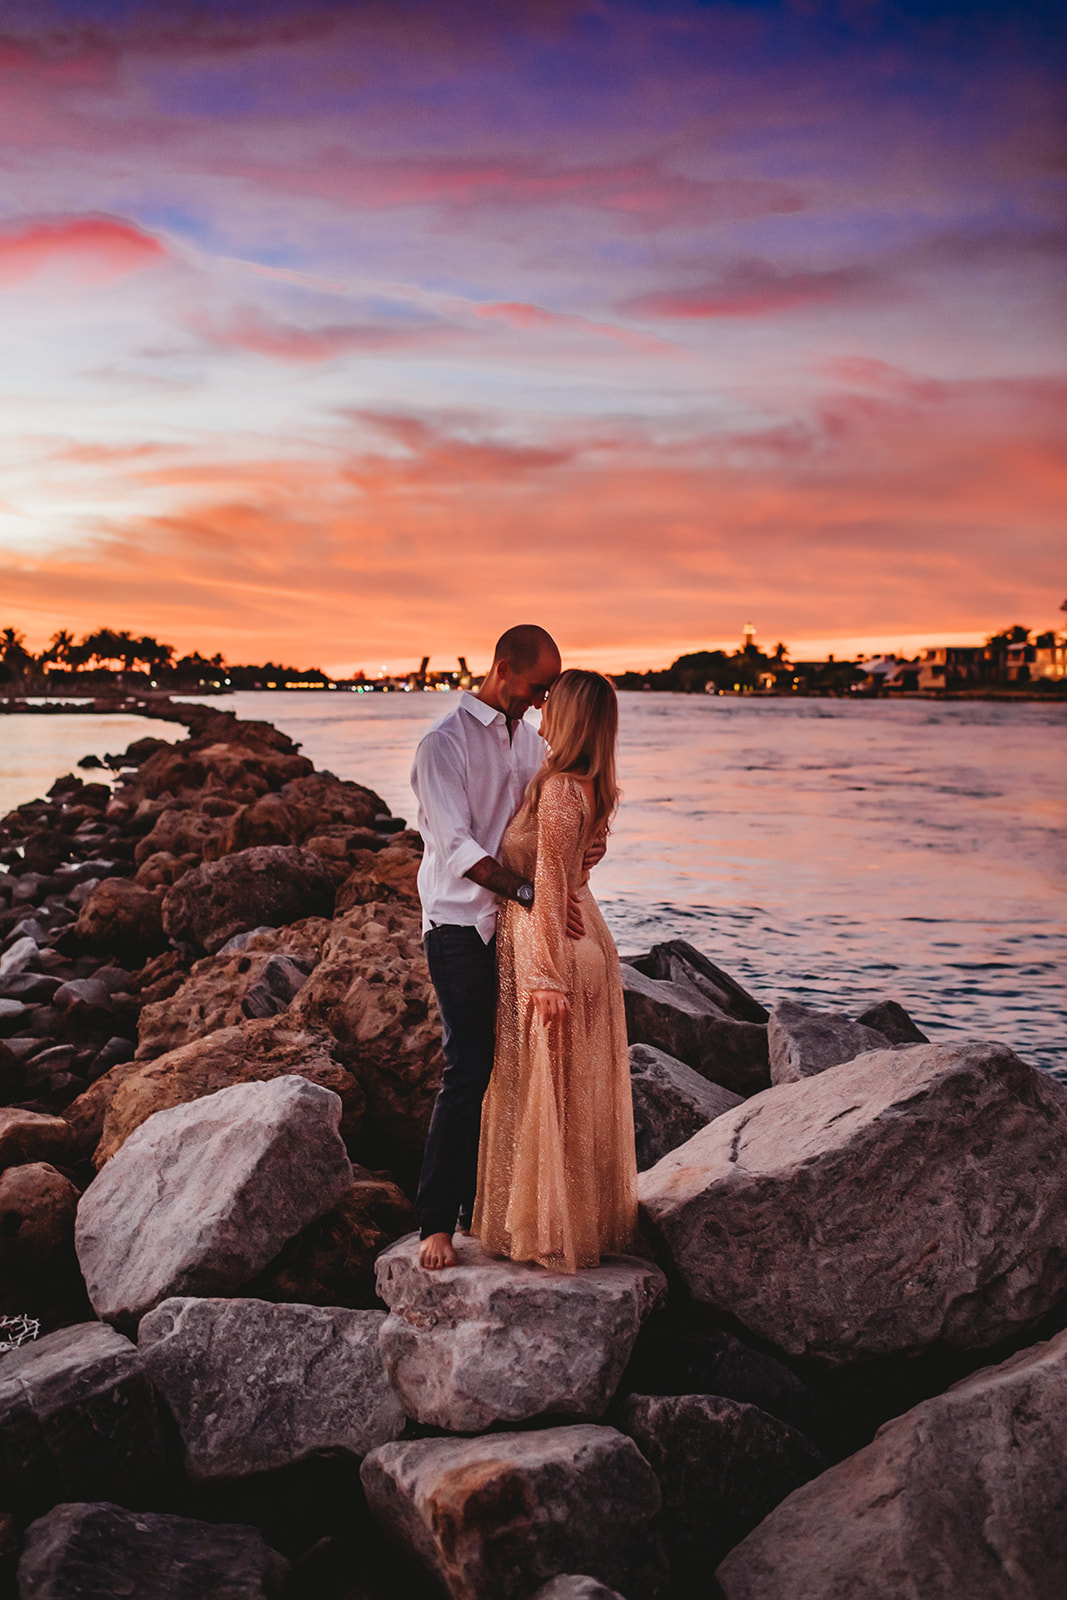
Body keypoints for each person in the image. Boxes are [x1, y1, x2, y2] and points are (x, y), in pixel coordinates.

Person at [411, 625, 602, 1271]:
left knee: (520, 1073)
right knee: (468, 1068)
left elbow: (553, 825)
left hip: (520, 930)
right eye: (536, 687)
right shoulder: (444, 744)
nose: (543, 700)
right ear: (501, 669)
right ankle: (435, 1222)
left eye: (550, 691)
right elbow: (457, 847)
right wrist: (531, 891)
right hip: (464, 926)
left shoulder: (530, 740)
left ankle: (492, 1211)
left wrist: (581, 854)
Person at [472, 668, 638, 1272]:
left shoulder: (563, 789)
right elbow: (570, 871)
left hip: (556, 948)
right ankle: (569, 1221)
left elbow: (545, 881)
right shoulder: (589, 786)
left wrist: (544, 976)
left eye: (552, 704)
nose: (541, 710)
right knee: (566, 1097)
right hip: (578, 934)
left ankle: (548, 1233)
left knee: (547, 1092)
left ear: (567, 718)